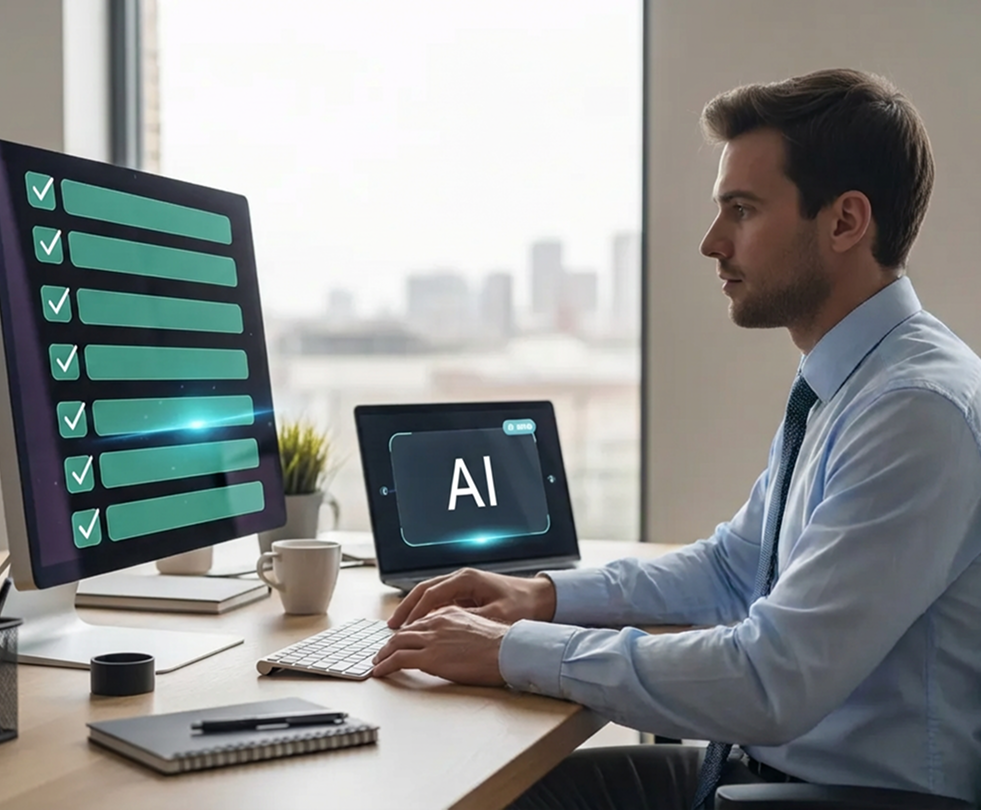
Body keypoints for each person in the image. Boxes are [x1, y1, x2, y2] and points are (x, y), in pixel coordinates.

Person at [371, 67, 981, 809]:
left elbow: (771, 680)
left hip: (832, 796)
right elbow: (733, 571)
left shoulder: (915, 410)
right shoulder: (848, 384)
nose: (711, 242)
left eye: (743, 210)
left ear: (846, 222)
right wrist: (539, 598)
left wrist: (509, 650)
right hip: (753, 775)